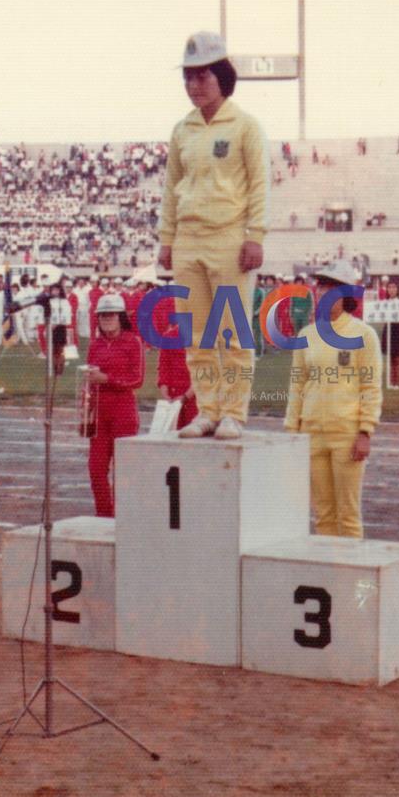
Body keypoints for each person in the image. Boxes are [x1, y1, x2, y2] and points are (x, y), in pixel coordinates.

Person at [158, 31, 267, 441]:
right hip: (188, 241)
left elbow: (260, 184)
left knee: (233, 332)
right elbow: (171, 188)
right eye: (187, 77)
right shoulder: (181, 130)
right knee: (198, 335)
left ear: (223, 76)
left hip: (229, 239)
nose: (193, 86)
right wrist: (167, 239)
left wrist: (255, 235)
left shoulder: (245, 126)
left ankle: (234, 413)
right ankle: (207, 410)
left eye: (202, 77)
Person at [284, 260, 383, 539]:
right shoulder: (306, 335)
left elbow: (371, 386)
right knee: (323, 515)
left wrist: (365, 430)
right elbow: (297, 387)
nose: (322, 292)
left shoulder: (364, 334)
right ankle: (329, 576)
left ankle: (351, 578)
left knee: (348, 516)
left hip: (347, 435)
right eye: (320, 286)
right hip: (312, 435)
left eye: (331, 287)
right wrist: (292, 431)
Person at [85, 293, 145, 517]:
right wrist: (87, 402)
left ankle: (124, 517)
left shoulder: (133, 342)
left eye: (111, 315)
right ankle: (104, 515)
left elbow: (137, 380)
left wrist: (107, 379)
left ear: (121, 317)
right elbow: (90, 378)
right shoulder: (95, 345)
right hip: (99, 413)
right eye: (102, 316)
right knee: (96, 468)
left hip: (123, 412)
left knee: (123, 469)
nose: (107, 319)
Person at [382, 279, 399, 386]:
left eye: (394, 287)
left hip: (398, 329)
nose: (392, 290)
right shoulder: (384, 303)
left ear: (398, 290)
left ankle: (396, 382)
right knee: (391, 359)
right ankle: (392, 381)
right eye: (390, 287)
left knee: (398, 358)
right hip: (388, 328)